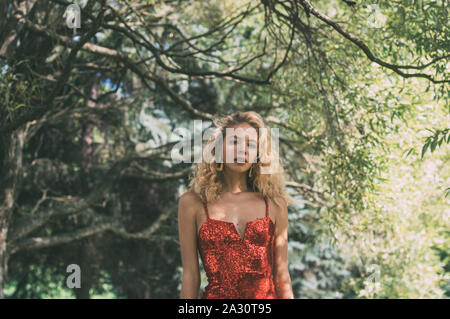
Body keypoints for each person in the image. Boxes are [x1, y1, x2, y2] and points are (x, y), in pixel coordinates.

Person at [178, 111, 294, 299]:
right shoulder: (192, 203)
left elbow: (281, 276)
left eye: (251, 145)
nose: (242, 150)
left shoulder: (274, 203)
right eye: (234, 142)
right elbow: (191, 275)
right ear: (218, 147)